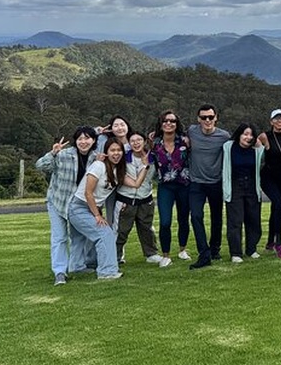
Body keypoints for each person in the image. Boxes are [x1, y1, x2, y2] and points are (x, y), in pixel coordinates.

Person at [68, 137, 149, 280]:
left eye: (119, 150)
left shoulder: (118, 172)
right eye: (112, 150)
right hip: (79, 207)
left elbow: (136, 184)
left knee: (88, 238)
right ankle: (107, 272)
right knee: (105, 234)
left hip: (92, 208)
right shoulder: (99, 166)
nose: (116, 153)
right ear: (106, 152)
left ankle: (80, 267)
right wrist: (97, 215)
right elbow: (88, 193)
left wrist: (145, 166)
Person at [35, 126, 98, 285]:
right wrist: (53, 153)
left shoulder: (95, 158)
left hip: (78, 204)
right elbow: (41, 166)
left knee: (78, 236)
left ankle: (77, 266)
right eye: (80, 139)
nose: (83, 142)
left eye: (87, 138)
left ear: (94, 140)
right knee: (60, 237)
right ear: (75, 141)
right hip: (58, 201)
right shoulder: (64, 154)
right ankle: (60, 272)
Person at [186, 104, 231, 269]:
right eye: (203, 117)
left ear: (216, 118)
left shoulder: (224, 136)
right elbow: (172, 136)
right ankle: (204, 254)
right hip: (196, 182)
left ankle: (215, 249)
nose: (207, 120)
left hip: (216, 182)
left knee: (216, 218)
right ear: (198, 119)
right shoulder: (191, 131)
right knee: (196, 216)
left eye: (210, 117)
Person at [149, 110, 192, 268]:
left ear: (177, 124)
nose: (169, 123)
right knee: (165, 221)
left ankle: (182, 249)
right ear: (160, 124)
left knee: (183, 219)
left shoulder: (185, 141)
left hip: (184, 185)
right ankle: (166, 255)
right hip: (165, 187)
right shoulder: (155, 143)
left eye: (172, 121)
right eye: (165, 121)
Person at [114, 131, 163, 266]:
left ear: (144, 141)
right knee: (121, 231)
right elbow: (132, 182)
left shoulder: (152, 158)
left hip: (145, 199)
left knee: (147, 229)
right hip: (126, 200)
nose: (136, 143)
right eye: (133, 141)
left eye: (139, 140)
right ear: (129, 144)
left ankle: (151, 254)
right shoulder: (124, 158)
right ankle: (116, 256)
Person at [222, 123, 265, 263]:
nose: (248, 137)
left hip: (252, 187)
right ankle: (236, 253)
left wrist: (261, 145)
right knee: (235, 221)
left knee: (254, 220)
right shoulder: (228, 147)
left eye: (251, 134)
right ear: (239, 134)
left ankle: (251, 249)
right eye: (245, 134)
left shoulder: (257, 150)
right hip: (234, 187)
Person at [258, 109, 281, 259]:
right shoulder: (265, 136)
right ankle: (279, 243)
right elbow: (255, 152)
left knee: (276, 207)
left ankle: (269, 241)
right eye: (276, 119)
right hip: (268, 176)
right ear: (271, 121)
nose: (280, 121)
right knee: (280, 204)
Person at [95, 115, 133, 226]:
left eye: (122, 125)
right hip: (109, 182)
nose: (120, 128)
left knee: (126, 216)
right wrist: (98, 130)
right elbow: (87, 135)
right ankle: (110, 237)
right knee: (110, 212)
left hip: (127, 183)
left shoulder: (133, 142)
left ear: (127, 126)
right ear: (111, 128)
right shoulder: (104, 140)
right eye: (115, 125)